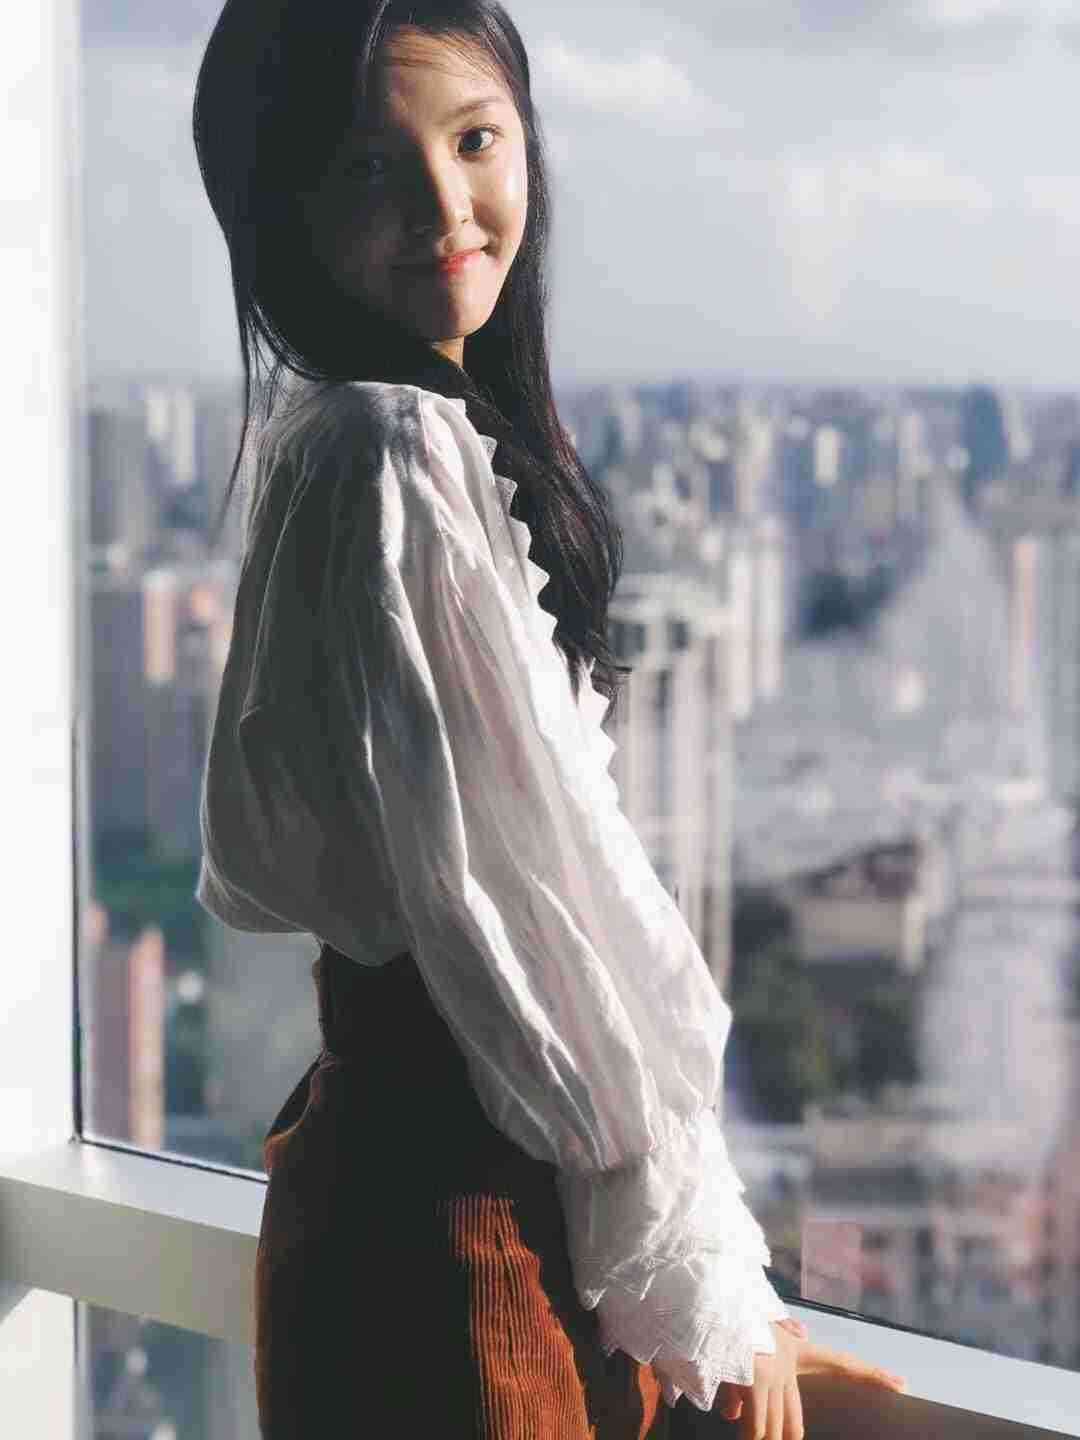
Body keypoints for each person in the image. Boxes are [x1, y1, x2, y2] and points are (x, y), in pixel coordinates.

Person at [191, 2, 909, 1436]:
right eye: (370, 169)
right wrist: (709, 1288)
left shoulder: (346, 434)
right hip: (471, 1218)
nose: (444, 208)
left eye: (475, 141)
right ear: (286, 205)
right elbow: (529, 917)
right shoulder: (389, 446)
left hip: (417, 1182)